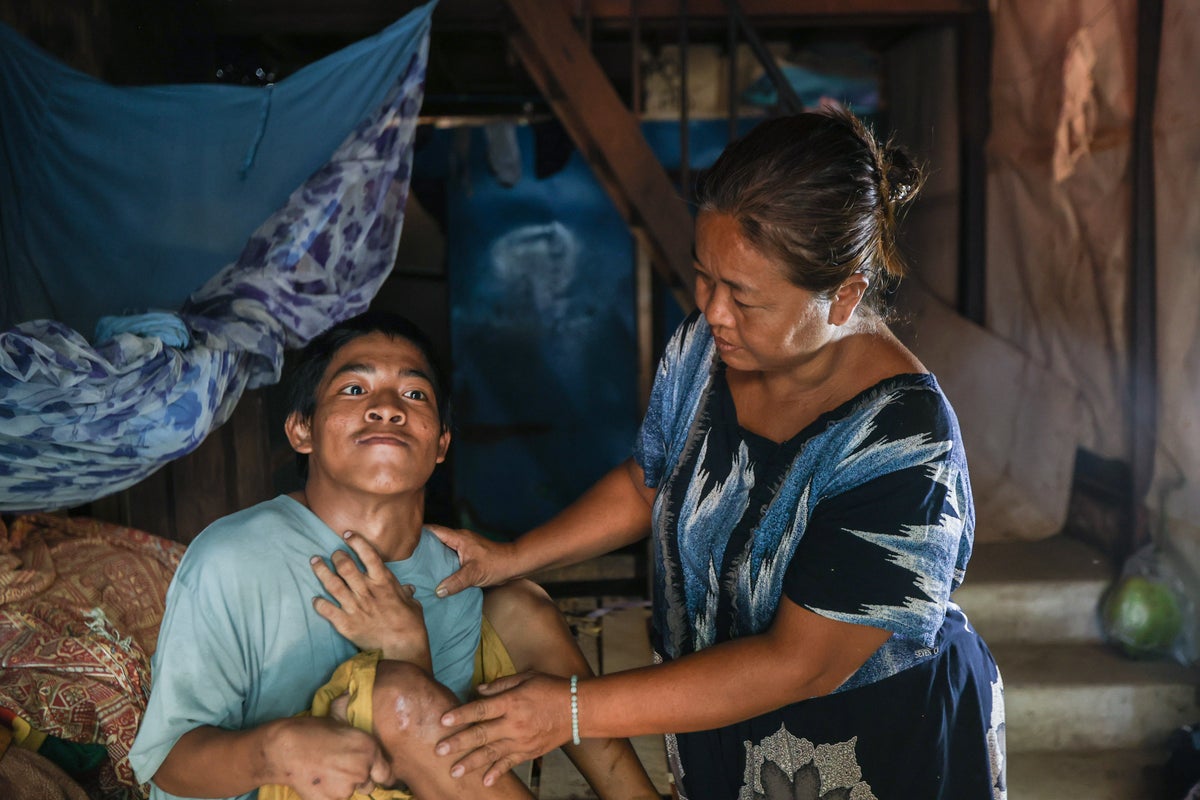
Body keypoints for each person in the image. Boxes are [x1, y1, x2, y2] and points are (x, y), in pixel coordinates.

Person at [428, 107, 1007, 799]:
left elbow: (799, 665)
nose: (713, 312)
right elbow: (650, 482)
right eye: (705, 276)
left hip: (878, 748)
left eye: (743, 296)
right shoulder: (706, 352)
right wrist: (512, 557)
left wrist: (570, 710)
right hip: (726, 729)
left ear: (844, 297)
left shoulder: (903, 446)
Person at [128, 311, 659, 800]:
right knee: (395, 694)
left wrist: (408, 649)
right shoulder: (232, 559)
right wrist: (276, 749)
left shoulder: (451, 573)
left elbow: (425, 758)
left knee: (520, 608)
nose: (387, 407)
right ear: (302, 429)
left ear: (442, 442)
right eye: (355, 389)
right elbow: (167, 762)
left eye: (415, 394)